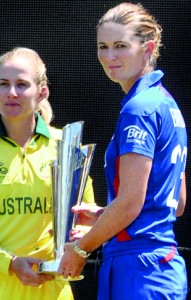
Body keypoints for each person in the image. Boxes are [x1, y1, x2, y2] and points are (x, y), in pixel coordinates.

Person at [57, 3, 188, 299]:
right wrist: (106, 215)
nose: (109, 56)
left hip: (138, 270)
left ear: (147, 48)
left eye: (120, 46)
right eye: (103, 46)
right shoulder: (166, 103)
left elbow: (131, 202)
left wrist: (81, 248)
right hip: (159, 267)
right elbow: (175, 204)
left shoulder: (138, 110)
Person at [0, 47, 96, 300]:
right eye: (4, 84)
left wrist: (80, 243)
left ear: (42, 92)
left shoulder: (66, 147)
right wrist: (10, 263)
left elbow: (86, 219)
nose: (12, 93)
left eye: (22, 84)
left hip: (52, 288)